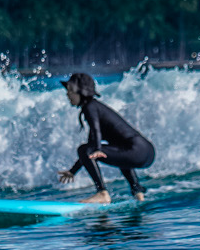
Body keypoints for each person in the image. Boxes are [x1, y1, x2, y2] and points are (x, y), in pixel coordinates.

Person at [57, 72, 153, 203]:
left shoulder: (90, 107)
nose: (67, 94)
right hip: (145, 152)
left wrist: (95, 149)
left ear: (81, 92)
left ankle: (102, 193)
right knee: (115, 152)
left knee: (85, 149)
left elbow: (95, 134)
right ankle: (137, 192)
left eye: (70, 90)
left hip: (136, 150)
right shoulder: (95, 107)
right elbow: (91, 144)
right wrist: (73, 171)